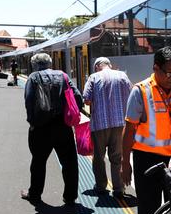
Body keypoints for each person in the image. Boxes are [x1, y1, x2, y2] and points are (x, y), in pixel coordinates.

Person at [121, 46, 171, 214]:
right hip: (147, 160)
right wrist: (126, 164)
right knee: (148, 210)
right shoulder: (140, 91)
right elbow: (129, 130)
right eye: (169, 73)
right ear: (156, 68)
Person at [21, 53, 83, 205]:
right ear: (49, 63)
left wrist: (33, 122)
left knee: (38, 162)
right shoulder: (63, 76)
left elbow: (29, 101)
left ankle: (34, 193)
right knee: (69, 162)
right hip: (62, 126)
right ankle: (70, 196)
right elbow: (78, 97)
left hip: (41, 127)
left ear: (35, 65)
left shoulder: (33, 78)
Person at [83, 57, 132, 197]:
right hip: (119, 124)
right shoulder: (122, 75)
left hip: (99, 124)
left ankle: (101, 186)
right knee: (116, 157)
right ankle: (118, 188)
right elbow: (132, 94)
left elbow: (86, 99)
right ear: (109, 65)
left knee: (98, 157)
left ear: (97, 66)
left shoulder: (93, 77)